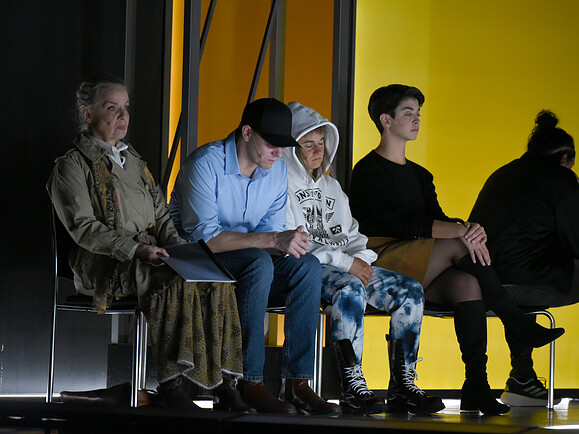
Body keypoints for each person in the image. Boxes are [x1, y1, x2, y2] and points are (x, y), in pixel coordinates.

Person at [349, 84, 565, 415]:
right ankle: (514, 320)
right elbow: (399, 224)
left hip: (418, 262)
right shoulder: (367, 170)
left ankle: (476, 385)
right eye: (408, 113)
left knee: (468, 283)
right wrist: (462, 232)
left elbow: (435, 218)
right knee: (459, 241)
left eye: (418, 113)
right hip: (380, 261)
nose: (416, 119)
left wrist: (468, 227)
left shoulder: (421, 175)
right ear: (385, 120)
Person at [47, 74, 247, 411]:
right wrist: (137, 249)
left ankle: (224, 385)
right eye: (112, 108)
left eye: (125, 108)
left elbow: (162, 218)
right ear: (88, 114)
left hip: (151, 254)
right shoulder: (72, 166)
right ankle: (171, 386)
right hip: (105, 263)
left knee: (215, 280)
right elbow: (84, 228)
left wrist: (182, 253)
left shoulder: (135, 163)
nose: (123, 116)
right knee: (173, 282)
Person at [169, 98, 341, 416]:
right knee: (258, 262)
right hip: (197, 261)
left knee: (307, 266)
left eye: (283, 146)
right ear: (247, 133)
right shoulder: (205, 163)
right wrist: (274, 240)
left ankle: (297, 382)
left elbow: (268, 235)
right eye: (272, 144)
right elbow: (206, 239)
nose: (279, 153)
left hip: (247, 262)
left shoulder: (275, 171)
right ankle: (250, 382)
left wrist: (289, 242)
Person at [282, 102, 444, 415]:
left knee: (409, 290)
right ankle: (353, 388)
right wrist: (348, 265)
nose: (318, 150)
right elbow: (294, 244)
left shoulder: (332, 186)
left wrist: (361, 260)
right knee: (350, 288)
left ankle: (403, 386)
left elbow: (354, 234)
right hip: (311, 268)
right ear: (292, 148)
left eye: (321, 142)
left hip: (348, 265)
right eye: (308, 144)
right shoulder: (281, 185)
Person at [470, 109, 579, 406]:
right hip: (523, 281)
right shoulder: (562, 179)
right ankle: (522, 377)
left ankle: (522, 377)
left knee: (532, 267)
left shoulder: (503, 173)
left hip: (482, 281)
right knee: (549, 271)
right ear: (565, 158)